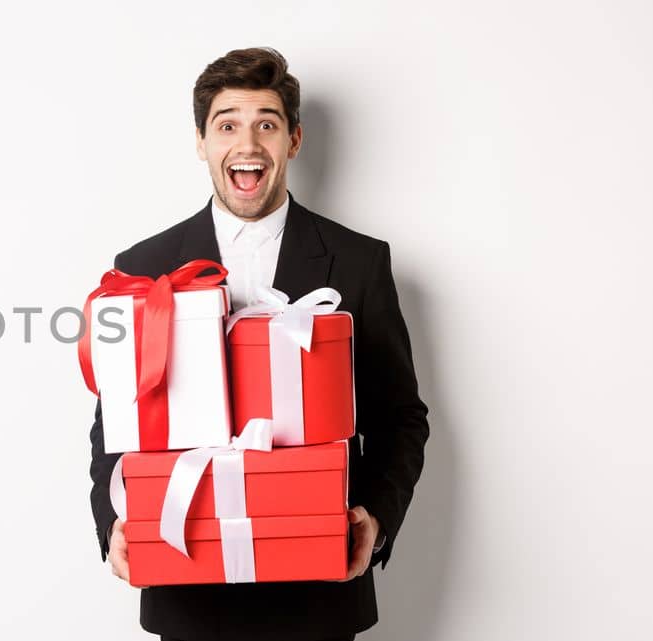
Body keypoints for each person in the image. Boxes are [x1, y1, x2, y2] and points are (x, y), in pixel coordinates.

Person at [87, 47, 431, 641]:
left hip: (316, 596)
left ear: (293, 140)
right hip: (186, 581)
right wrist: (115, 524)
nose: (247, 144)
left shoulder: (358, 262)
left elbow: (401, 417)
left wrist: (373, 519)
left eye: (266, 124)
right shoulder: (141, 267)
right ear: (201, 141)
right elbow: (115, 426)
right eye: (227, 125)